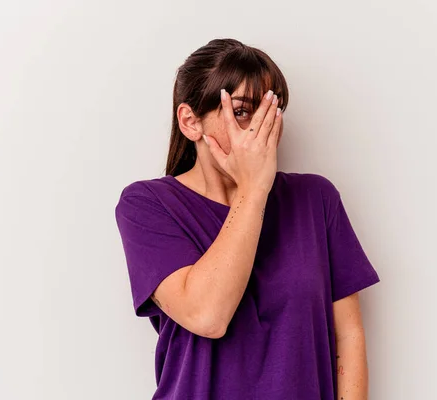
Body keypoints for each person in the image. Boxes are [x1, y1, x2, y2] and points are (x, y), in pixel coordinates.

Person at [114, 38, 380, 400]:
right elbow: (208, 316)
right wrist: (253, 188)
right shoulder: (147, 205)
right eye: (242, 111)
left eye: (272, 111)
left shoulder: (316, 199)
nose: (260, 128)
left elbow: (347, 338)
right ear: (191, 122)